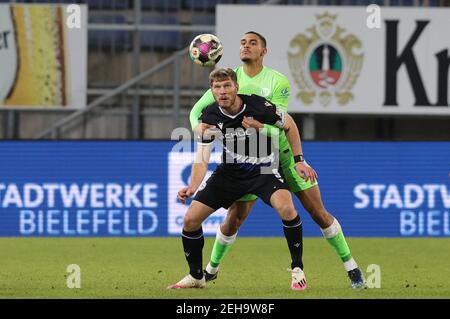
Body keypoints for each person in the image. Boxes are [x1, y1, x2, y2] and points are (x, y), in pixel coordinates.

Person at [190, 31, 366, 289]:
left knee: (317, 212)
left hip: (283, 153)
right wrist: (199, 129)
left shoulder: (277, 81)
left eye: (253, 43)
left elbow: (282, 125)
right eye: (242, 42)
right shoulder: (230, 79)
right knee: (234, 218)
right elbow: (197, 113)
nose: (245, 46)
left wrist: (297, 158)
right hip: (252, 158)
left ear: (264, 51)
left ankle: (352, 268)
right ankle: (210, 270)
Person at [168, 68, 311, 290]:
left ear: (236, 87)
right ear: (212, 90)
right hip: (230, 172)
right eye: (217, 87)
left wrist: (299, 160)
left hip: (263, 168)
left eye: (226, 86)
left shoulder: (258, 106)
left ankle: (297, 269)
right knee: (190, 220)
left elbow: (289, 125)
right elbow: (202, 158)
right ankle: (196, 276)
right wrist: (193, 186)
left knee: (287, 209)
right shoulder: (210, 116)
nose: (222, 91)